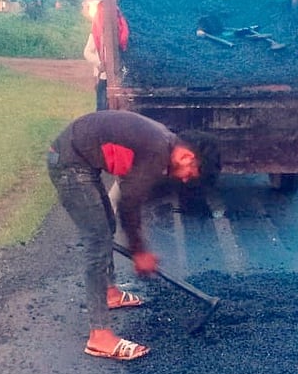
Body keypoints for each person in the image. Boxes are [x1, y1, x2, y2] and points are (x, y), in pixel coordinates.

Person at [47, 110, 218, 361]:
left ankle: (109, 293)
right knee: (97, 242)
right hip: (69, 162)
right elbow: (129, 204)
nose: (184, 180)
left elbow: (129, 193)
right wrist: (140, 252)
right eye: (190, 174)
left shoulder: (163, 142)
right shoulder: (157, 151)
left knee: (106, 227)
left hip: (79, 159)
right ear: (187, 157)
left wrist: (140, 249)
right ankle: (99, 336)